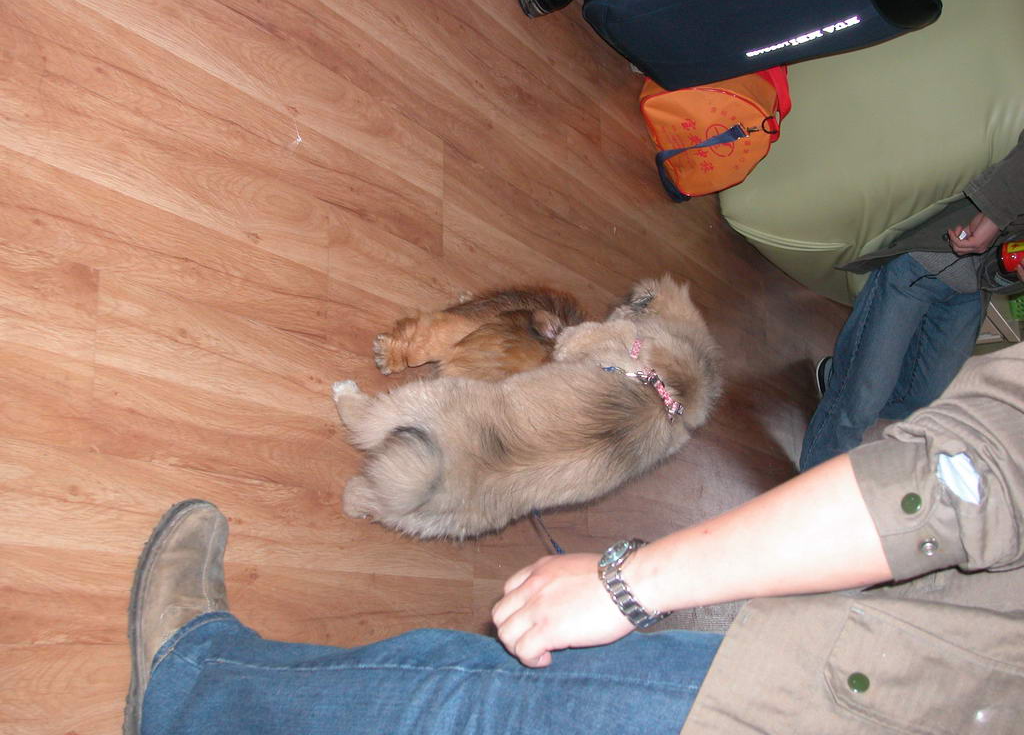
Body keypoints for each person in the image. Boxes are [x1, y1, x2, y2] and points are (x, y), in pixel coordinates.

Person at [125, 341, 1024, 734]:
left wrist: (632, 583)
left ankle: (191, 682)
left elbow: (955, 484)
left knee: (479, 707)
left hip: (862, 707)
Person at [799, 131, 1024, 472]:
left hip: (970, 290)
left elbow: (1000, 268)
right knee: (858, 405)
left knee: (922, 398)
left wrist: (1012, 272)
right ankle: (810, 491)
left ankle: (841, 377)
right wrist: (993, 215)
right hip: (921, 263)